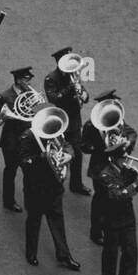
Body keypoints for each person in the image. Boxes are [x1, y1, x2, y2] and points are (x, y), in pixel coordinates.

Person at [16, 111, 80, 271]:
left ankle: (64, 254)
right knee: (34, 220)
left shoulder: (56, 131)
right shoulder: (28, 137)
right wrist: (43, 157)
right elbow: (24, 161)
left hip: (54, 186)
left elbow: (66, 145)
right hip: (35, 187)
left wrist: (68, 156)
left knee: (57, 220)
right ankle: (31, 253)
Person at [80, 90, 137, 246]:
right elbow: (83, 146)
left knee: (114, 199)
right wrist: (101, 148)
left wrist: (126, 142)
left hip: (116, 166)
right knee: (100, 200)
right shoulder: (91, 125)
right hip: (100, 167)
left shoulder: (117, 119)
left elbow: (132, 133)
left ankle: (113, 231)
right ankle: (96, 231)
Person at [43, 48, 91, 195]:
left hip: (74, 121)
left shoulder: (74, 74)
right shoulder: (51, 78)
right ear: (58, 62)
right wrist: (68, 89)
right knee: (58, 153)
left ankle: (76, 185)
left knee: (77, 153)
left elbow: (86, 97)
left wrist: (82, 93)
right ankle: (55, 184)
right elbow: (54, 99)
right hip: (60, 120)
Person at [0, 66, 40, 211]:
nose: (29, 82)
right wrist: (0, 119)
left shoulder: (31, 93)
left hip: (28, 140)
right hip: (11, 140)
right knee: (11, 170)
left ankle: (30, 200)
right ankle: (9, 201)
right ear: (18, 80)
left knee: (29, 172)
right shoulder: (5, 96)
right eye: (26, 79)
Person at [96, 155, 138, 275]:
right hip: (112, 218)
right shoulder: (106, 175)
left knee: (131, 250)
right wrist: (134, 184)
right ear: (114, 158)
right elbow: (116, 195)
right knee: (111, 252)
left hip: (128, 216)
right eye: (123, 158)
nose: (126, 160)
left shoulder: (128, 171)